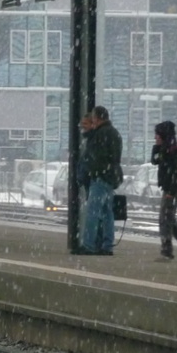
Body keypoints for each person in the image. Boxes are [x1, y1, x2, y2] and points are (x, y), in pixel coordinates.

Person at [79, 105, 123, 256]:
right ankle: (107, 245)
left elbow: (97, 157)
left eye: (93, 118)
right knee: (107, 213)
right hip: (110, 177)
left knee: (93, 211)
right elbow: (114, 157)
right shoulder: (114, 133)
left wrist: (93, 171)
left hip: (100, 177)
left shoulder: (100, 134)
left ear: (97, 118)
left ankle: (89, 245)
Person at [150, 121, 177, 260]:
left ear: (163, 134)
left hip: (172, 190)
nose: (155, 137)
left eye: (157, 134)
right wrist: (156, 148)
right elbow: (154, 161)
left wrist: (172, 191)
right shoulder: (164, 149)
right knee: (169, 218)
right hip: (168, 188)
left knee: (165, 218)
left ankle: (167, 250)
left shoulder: (175, 150)